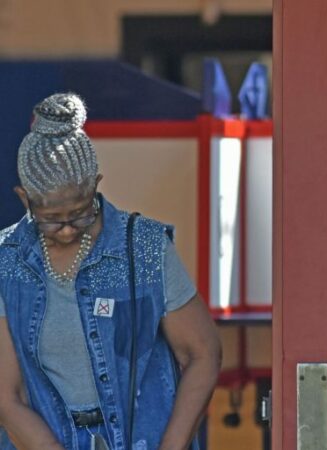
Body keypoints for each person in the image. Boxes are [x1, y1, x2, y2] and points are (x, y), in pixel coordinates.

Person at [0, 93, 222, 450]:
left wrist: (172, 445)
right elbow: (7, 398)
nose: (69, 228)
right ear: (24, 198)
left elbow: (202, 353)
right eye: (52, 219)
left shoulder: (144, 247)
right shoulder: (5, 261)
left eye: (80, 212)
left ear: (96, 185)